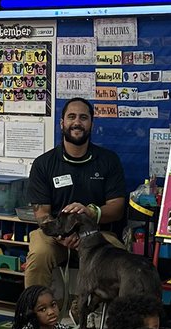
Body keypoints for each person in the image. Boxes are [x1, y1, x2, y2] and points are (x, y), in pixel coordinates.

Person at [25, 98, 126, 289]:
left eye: (83, 117)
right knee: (38, 254)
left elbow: (117, 208)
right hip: (55, 235)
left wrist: (89, 212)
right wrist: (63, 235)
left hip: (97, 234)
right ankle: (34, 313)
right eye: (71, 117)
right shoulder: (43, 164)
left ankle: (109, 316)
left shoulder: (109, 160)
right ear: (62, 123)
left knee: (120, 258)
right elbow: (42, 214)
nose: (77, 122)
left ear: (91, 124)